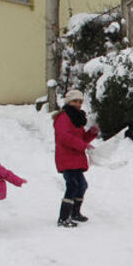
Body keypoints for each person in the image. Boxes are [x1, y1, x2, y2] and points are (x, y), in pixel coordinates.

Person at [53, 89, 100, 227]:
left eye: (80, 101)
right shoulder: (63, 117)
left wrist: (91, 133)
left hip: (76, 159)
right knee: (72, 185)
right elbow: (65, 137)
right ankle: (63, 218)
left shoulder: (76, 117)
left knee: (82, 186)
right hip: (67, 159)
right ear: (68, 101)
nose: (78, 104)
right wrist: (83, 145)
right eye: (75, 101)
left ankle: (75, 213)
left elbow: (80, 138)